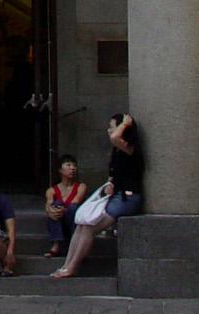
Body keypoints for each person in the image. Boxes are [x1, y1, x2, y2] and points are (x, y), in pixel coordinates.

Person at [53, 113, 144, 279]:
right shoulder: (117, 151)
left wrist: (124, 124)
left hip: (128, 198)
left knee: (89, 226)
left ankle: (73, 267)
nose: (109, 130)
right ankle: (67, 264)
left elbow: (116, 137)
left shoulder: (129, 147)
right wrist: (109, 184)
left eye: (112, 126)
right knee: (82, 224)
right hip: (115, 195)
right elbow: (112, 175)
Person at [42, 153, 87, 257]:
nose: (73, 168)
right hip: (59, 221)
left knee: (72, 208)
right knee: (55, 205)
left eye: (74, 166)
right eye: (68, 165)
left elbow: (75, 201)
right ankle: (56, 244)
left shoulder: (81, 186)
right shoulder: (51, 190)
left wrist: (63, 211)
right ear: (60, 170)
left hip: (73, 222)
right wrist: (52, 211)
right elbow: (48, 205)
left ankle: (74, 243)